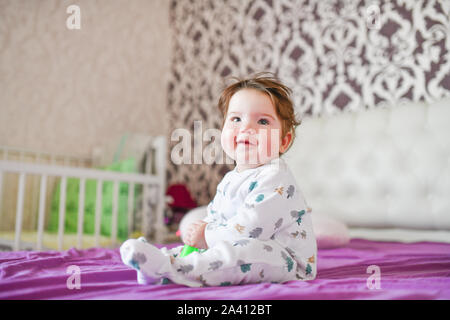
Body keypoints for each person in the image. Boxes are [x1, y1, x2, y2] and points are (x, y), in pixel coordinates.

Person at [120, 73, 317, 287]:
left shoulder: (276, 177)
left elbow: (252, 227)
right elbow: (217, 215)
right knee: (214, 250)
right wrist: (203, 232)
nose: (246, 128)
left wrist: (207, 235)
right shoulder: (231, 178)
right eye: (236, 119)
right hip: (240, 242)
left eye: (262, 121)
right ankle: (166, 260)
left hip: (285, 259)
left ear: (283, 141)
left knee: (243, 252)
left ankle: (172, 269)